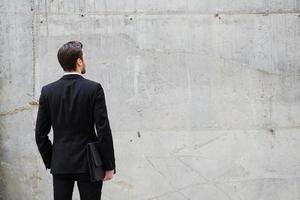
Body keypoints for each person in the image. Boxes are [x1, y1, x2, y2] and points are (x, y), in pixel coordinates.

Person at [35, 41, 116, 200]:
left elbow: (40, 134)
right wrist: (109, 165)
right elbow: (103, 130)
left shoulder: (48, 91)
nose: (85, 61)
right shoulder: (93, 89)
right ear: (79, 61)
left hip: (60, 163)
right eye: (84, 58)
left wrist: (52, 160)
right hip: (89, 164)